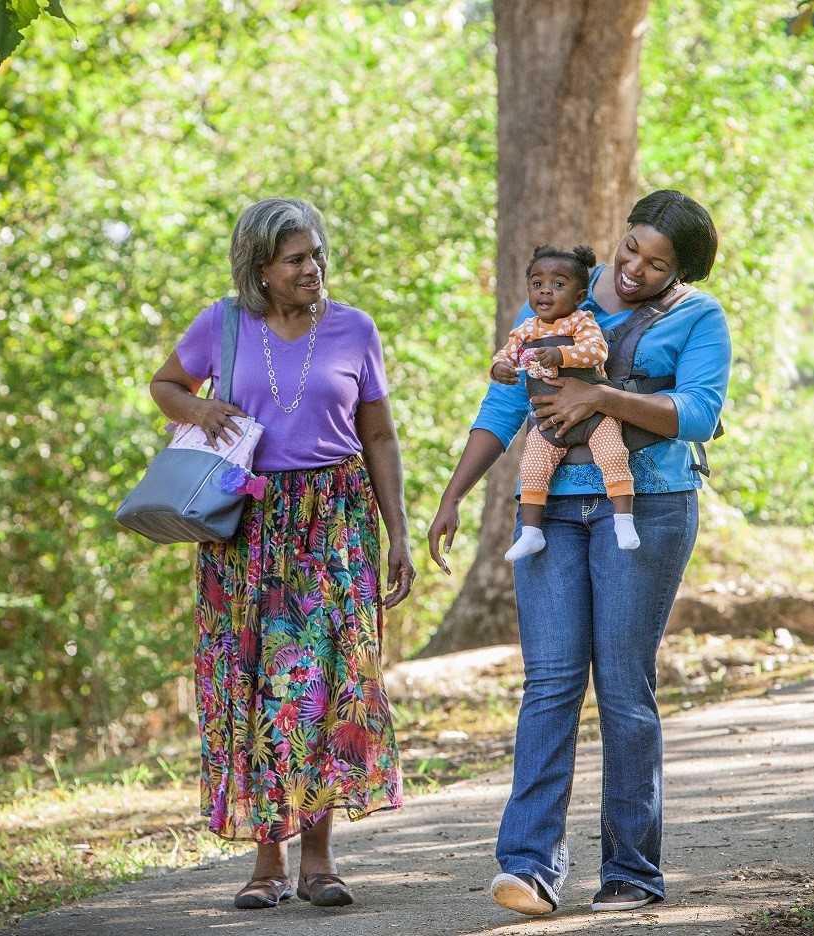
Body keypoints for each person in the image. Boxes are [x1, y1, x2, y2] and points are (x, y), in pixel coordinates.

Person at [428, 190, 730, 916]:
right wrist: (453, 494)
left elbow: (698, 412)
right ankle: (529, 866)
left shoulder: (698, 319)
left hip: (647, 505)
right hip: (551, 511)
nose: (634, 269)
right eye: (632, 248)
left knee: (624, 687)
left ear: (680, 271)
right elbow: (504, 406)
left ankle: (631, 871)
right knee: (551, 682)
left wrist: (602, 399)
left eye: (656, 264)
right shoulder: (558, 292)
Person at [149, 197, 414, 911]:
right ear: (260, 269)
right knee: (258, 687)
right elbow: (165, 385)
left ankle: (320, 861)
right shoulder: (222, 324)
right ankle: (265, 863)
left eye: (317, 254)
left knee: (325, 686)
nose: (312, 268)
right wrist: (201, 410)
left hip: (335, 522)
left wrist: (399, 532)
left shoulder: (356, 328)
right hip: (248, 527)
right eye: (296, 259)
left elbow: (380, 438)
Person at [492, 244, 638, 562]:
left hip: (595, 415)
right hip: (550, 419)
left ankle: (623, 521)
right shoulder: (525, 330)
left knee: (613, 454)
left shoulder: (580, 322)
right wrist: (499, 367)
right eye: (537, 283)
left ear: (577, 296)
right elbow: (506, 354)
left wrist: (561, 354)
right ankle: (532, 532)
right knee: (532, 466)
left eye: (558, 284)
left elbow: (597, 351)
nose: (546, 291)